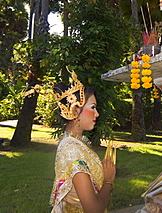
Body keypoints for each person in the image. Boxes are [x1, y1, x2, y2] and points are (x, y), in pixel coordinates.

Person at [50, 70, 116, 213]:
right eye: (93, 107)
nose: (97, 113)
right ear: (74, 111)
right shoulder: (72, 151)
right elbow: (93, 210)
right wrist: (108, 181)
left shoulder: (73, 143)